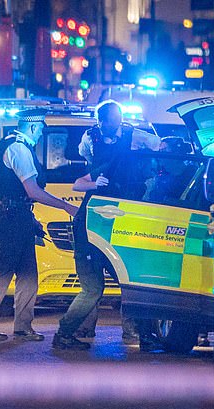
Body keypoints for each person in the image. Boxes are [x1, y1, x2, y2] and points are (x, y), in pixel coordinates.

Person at [53, 100, 161, 350]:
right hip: (92, 231)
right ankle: (67, 332)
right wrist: (95, 183)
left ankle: (138, 333)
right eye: (108, 121)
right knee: (93, 289)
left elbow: (157, 145)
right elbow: (80, 180)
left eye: (115, 119)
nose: (113, 124)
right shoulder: (96, 153)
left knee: (130, 282)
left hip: (115, 225)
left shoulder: (133, 138)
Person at [0, 109, 79, 342]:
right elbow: (32, 190)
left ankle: (23, 326)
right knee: (2, 270)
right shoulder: (18, 148)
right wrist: (66, 207)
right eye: (40, 128)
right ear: (31, 126)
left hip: (18, 214)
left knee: (28, 272)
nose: (41, 133)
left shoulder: (16, 145)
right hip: (12, 215)